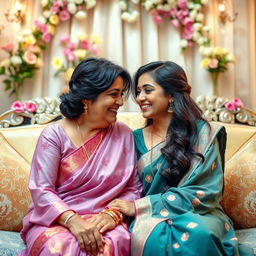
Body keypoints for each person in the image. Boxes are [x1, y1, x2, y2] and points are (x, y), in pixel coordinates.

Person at [108, 61, 250, 256]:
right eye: (138, 91)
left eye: (148, 90)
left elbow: (206, 192)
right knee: (153, 234)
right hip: (149, 216)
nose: (140, 98)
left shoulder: (203, 134)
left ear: (172, 95)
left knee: (199, 232)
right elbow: (125, 185)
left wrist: (140, 206)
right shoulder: (133, 138)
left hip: (200, 213)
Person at [18, 57, 142, 256]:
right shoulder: (54, 135)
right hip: (57, 219)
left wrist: (112, 215)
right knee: (59, 246)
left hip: (104, 220)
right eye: (113, 95)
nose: (120, 102)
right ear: (87, 98)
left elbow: (133, 188)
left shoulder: (123, 134)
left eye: (121, 95)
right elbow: (42, 190)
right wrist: (73, 221)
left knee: (108, 245)